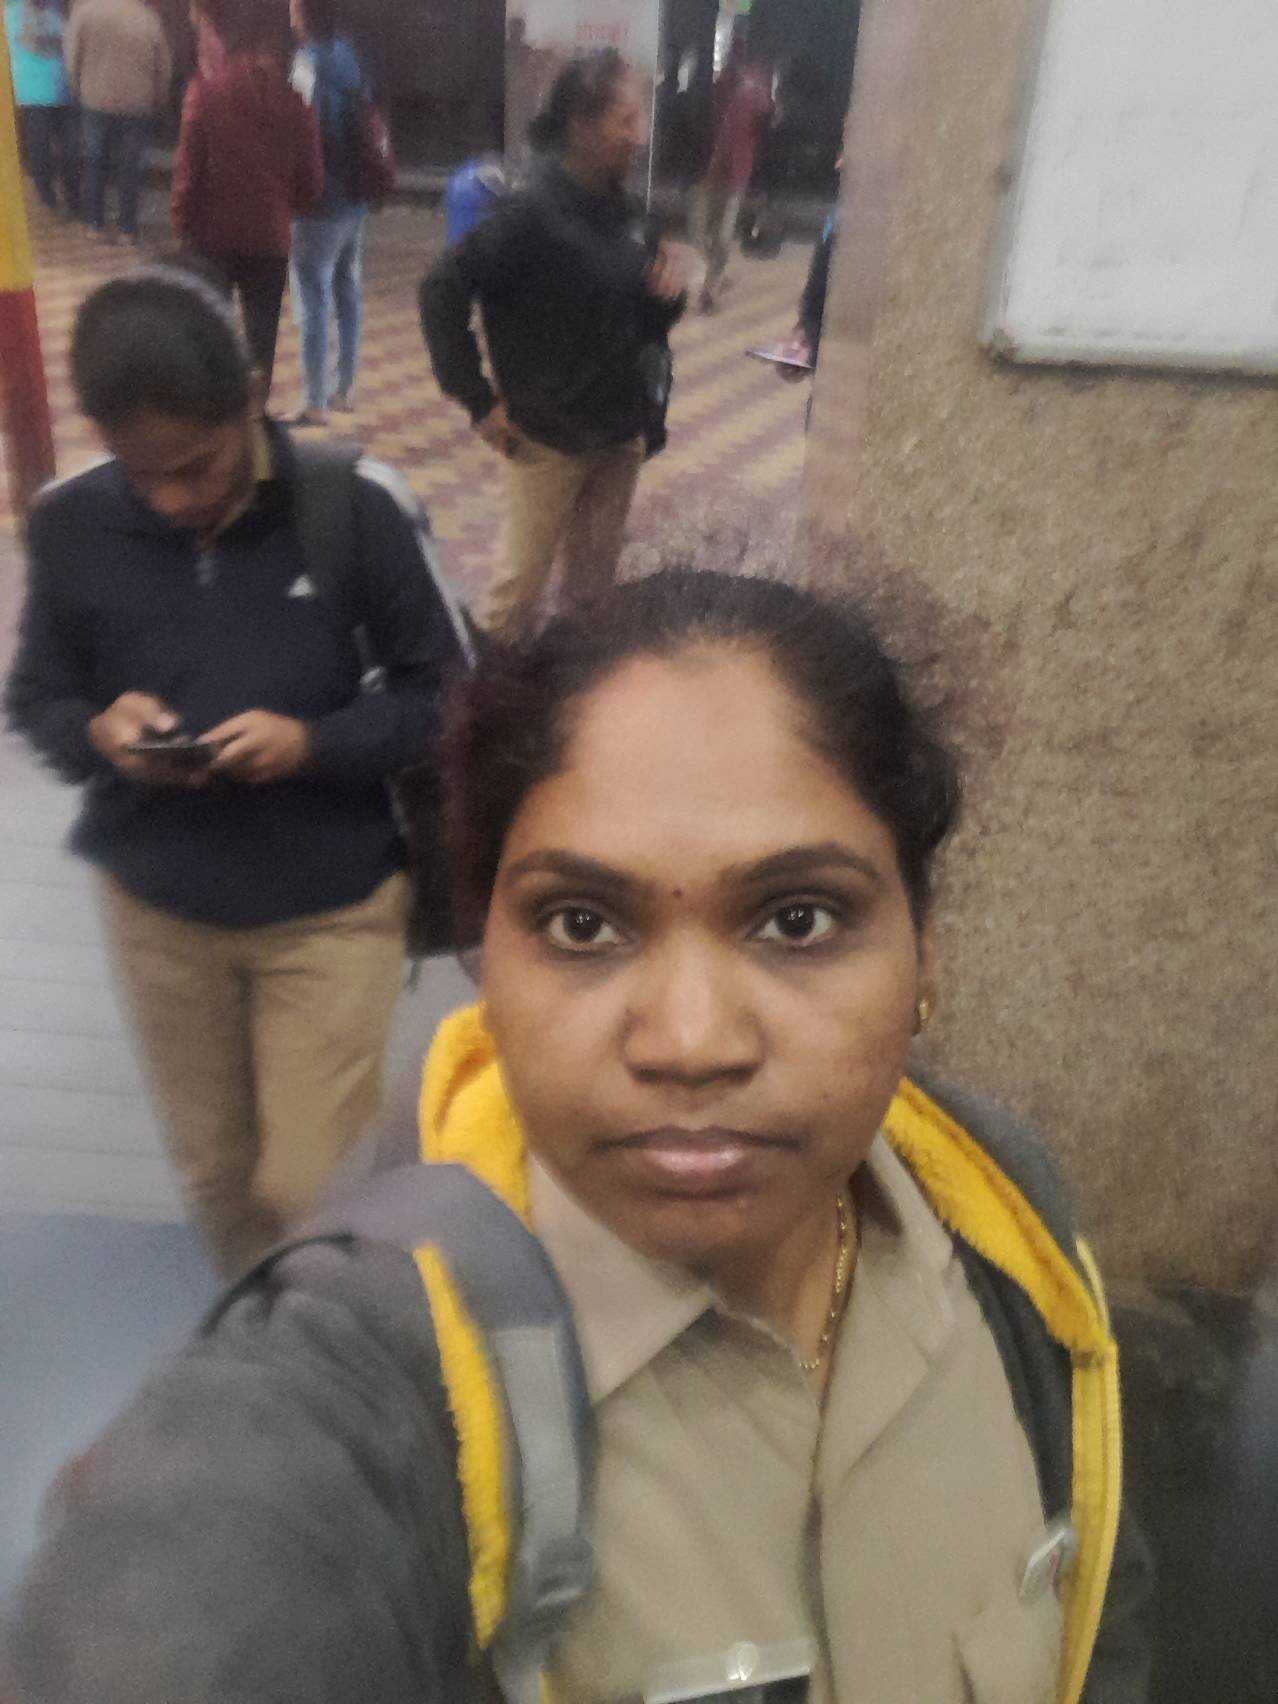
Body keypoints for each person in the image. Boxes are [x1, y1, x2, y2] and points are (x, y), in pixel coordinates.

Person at [3, 571, 1151, 1704]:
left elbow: (1104, 1598)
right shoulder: (384, 1386)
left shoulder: (1006, 1230)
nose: (691, 1043)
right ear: (486, 967)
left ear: (926, 951)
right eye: (583, 924)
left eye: (798, 919)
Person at [4, 269, 468, 1279]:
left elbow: (448, 699)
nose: (177, 499)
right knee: (214, 1175)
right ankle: (260, 1332)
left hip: (329, 913)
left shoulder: (354, 508)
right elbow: (36, 699)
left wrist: (315, 744)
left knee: (310, 1187)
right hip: (160, 916)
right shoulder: (73, 524)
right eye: (145, 475)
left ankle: (324, 1336)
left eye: (199, 465)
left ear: (250, 397)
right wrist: (100, 733)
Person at [419, 48, 687, 640]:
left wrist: (666, 299)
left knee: (592, 598)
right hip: (548, 438)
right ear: (582, 127)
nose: (638, 136)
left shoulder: (631, 215)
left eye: (639, 118)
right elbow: (441, 291)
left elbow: (643, 322)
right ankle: (482, 694)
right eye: (625, 120)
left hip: (618, 435)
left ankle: (568, 691)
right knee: (516, 596)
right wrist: (476, 398)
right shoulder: (528, 215)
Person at [171, 0, 322, 395]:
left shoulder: (204, 94)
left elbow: (187, 172)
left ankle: (214, 408)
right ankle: (253, 415)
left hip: (210, 237)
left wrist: (182, 225)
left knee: (211, 333)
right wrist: (285, 207)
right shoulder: (296, 104)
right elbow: (312, 182)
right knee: (260, 341)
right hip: (270, 239)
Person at [285, 0, 369, 427]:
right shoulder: (348, 55)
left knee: (313, 292)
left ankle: (315, 399)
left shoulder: (306, 63)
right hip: (356, 192)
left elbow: (301, 128)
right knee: (347, 286)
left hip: (319, 197)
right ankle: (345, 388)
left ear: (305, 15)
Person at [64, 0, 171, 244]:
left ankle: (94, 223)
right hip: (137, 102)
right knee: (130, 166)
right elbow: (163, 64)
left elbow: (72, 56)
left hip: (95, 98)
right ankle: (127, 228)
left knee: (95, 162)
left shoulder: (85, 12)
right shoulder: (147, 18)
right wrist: (159, 97)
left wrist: (77, 87)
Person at [690, 32, 774, 313]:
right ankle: (718, 272)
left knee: (723, 236)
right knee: (700, 232)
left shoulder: (756, 85)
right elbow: (711, 119)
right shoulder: (723, 82)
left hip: (737, 173)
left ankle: (709, 291)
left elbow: (768, 119)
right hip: (714, 169)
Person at [4, 0, 79, 216]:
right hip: (40, 92)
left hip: (45, 91)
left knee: (50, 149)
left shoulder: (54, 8)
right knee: (50, 149)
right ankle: (55, 199)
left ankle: (56, 198)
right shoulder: (16, 9)